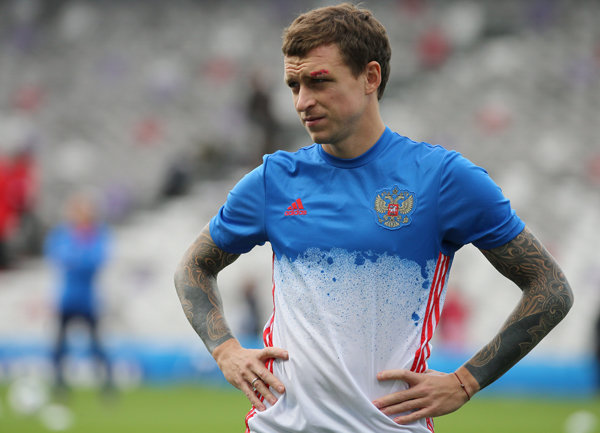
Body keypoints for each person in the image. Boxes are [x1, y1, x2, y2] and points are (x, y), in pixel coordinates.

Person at [174, 4, 573, 432]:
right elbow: (193, 267)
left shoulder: (443, 179)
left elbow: (550, 288)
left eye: (319, 81)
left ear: (370, 77)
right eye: (294, 85)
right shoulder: (274, 180)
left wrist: (466, 381)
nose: (302, 102)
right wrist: (225, 349)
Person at [45, 192, 113, 395]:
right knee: (59, 345)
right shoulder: (63, 233)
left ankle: (107, 385)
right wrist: (81, 257)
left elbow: (95, 261)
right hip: (67, 298)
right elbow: (58, 256)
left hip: (88, 299)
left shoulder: (98, 234)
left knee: (96, 345)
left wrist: (75, 258)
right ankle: (59, 385)